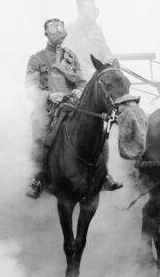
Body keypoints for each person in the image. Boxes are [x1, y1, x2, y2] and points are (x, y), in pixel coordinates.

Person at [25, 18, 121, 199]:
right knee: (41, 133)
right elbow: (30, 88)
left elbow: (81, 81)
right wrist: (49, 96)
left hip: (72, 105)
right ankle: (38, 178)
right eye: (52, 29)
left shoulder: (71, 57)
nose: (57, 31)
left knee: (99, 130)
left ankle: (104, 175)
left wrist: (79, 90)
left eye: (60, 27)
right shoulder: (36, 59)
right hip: (48, 107)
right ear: (46, 33)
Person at [63, 0, 113, 80]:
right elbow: (70, 57)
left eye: (94, 10)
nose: (93, 13)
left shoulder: (96, 29)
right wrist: (87, 70)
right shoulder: (70, 29)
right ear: (80, 11)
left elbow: (104, 48)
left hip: (96, 72)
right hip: (77, 76)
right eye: (89, 10)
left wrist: (110, 58)